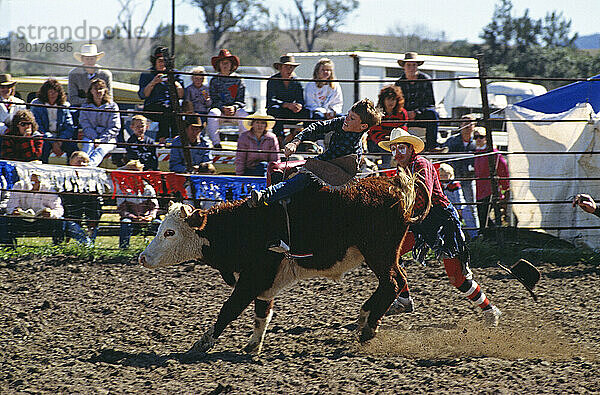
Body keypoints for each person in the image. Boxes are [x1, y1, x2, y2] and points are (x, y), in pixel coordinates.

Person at [379, 128, 501, 326]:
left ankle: (489, 309)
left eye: (401, 147)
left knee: (457, 278)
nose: (397, 153)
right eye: (393, 149)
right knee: (389, 255)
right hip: (419, 221)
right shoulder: (402, 170)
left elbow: (423, 193)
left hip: (440, 220)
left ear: (411, 149)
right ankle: (403, 299)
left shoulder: (421, 164)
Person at [249, 99, 381, 207]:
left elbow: (325, 159)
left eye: (352, 118)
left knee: (305, 177)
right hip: (326, 164)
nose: (346, 119)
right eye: (348, 114)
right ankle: (275, 204)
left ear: (362, 127)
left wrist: (304, 167)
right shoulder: (342, 122)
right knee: (282, 170)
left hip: (339, 173)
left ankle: (267, 195)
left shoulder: (351, 144)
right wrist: (296, 141)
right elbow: (317, 127)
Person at [0, 171, 64, 246]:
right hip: (21, 220)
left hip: (42, 221)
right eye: (33, 182)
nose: (36, 184)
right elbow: (10, 206)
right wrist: (14, 211)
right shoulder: (19, 186)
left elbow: (59, 209)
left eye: (38, 181)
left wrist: (51, 213)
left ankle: (58, 248)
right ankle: (9, 248)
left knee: (60, 221)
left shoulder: (49, 188)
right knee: (4, 220)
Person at [138, 46, 184, 143]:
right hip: (152, 106)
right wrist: (153, 83)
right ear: (155, 61)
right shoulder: (147, 74)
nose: (162, 64)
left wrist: (174, 82)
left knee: (174, 111)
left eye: (165, 61)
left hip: (171, 106)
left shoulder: (174, 73)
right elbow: (143, 95)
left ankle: (176, 138)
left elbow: (181, 95)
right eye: (160, 61)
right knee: (166, 111)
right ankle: (163, 138)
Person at [443, 114, 479, 239]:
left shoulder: (476, 142)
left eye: (470, 123)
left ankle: (474, 235)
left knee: (471, 206)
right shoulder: (452, 141)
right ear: (460, 125)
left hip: (469, 178)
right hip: (454, 179)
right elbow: (443, 156)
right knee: (452, 207)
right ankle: (452, 235)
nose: (467, 126)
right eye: (464, 123)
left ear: (474, 126)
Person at [395, 52, 439, 151]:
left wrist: (416, 112)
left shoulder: (426, 80)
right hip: (403, 116)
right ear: (404, 67)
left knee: (433, 115)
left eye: (414, 65)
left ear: (417, 66)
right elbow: (396, 104)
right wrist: (406, 113)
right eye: (409, 65)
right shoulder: (399, 83)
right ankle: (398, 145)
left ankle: (432, 147)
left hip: (421, 114)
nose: (411, 68)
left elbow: (431, 103)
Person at [206, 49, 248, 148]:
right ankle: (216, 143)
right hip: (220, 111)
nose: (225, 65)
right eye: (222, 63)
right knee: (212, 114)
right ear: (218, 65)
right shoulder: (214, 80)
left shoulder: (238, 79)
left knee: (245, 116)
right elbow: (214, 99)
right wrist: (223, 108)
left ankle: (243, 144)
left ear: (231, 64)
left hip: (235, 111)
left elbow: (241, 100)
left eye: (227, 63)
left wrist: (234, 107)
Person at [58, 151, 103, 246]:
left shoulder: (93, 178)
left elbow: (96, 204)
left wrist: (92, 223)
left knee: (93, 225)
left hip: (89, 214)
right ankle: (88, 246)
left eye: (85, 162)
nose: (82, 164)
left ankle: (89, 245)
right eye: (79, 161)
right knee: (72, 226)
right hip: (70, 213)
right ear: (71, 162)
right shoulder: (63, 176)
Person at [31, 78, 78, 164]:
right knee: (42, 148)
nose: (53, 94)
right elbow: (37, 126)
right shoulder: (37, 105)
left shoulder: (64, 106)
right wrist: (52, 141)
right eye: (50, 92)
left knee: (73, 148)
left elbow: (69, 126)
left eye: (55, 92)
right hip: (44, 137)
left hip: (61, 137)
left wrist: (60, 140)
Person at [115, 160, 160, 249]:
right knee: (125, 223)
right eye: (131, 171)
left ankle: (160, 249)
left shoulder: (148, 188)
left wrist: (150, 216)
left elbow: (154, 207)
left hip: (147, 218)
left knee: (159, 224)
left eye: (137, 172)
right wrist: (134, 217)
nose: (134, 175)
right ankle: (123, 249)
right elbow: (122, 209)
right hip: (130, 218)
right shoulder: (123, 189)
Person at [78, 78, 121, 167]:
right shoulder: (85, 106)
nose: (98, 91)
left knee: (100, 149)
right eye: (95, 89)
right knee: (87, 148)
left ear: (105, 90)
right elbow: (85, 124)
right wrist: (94, 138)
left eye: (101, 88)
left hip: (109, 139)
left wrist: (101, 140)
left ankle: (89, 167)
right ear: (91, 91)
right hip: (90, 137)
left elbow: (115, 127)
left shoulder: (112, 106)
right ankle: (81, 166)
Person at [473, 127, 510, 229]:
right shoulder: (476, 152)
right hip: (480, 188)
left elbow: (502, 168)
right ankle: (489, 235)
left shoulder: (493, 152)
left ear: (486, 138)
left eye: (481, 136)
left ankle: (492, 235)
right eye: (476, 137)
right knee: (482, 214)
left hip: (490, 188)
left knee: (486, 214)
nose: (478, 139)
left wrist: (505, 186)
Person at [266, 55, 309, 140]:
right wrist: (286, 104)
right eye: (286, 67)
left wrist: (299, 105)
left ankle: (308, 140)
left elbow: (301, 99)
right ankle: (279, 139)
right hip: (278, 111)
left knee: (308, 112)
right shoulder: (273, 80)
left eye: (292, 67)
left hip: (292, 112)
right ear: (280, 67)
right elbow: (271, 100)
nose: (289, 70)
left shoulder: (297, 82)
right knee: (275, 109)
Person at [68, 44, 113, 125]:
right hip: (80, 110)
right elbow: (72, 99)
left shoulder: (105, 74)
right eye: (87, 58)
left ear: (96, 59)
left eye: (92, 58)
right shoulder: (73, 74)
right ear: (82, 59)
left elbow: (110, 98)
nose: (89, 61)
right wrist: (91, 102)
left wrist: (98, 104)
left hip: (102, 109)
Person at [367, 84, 408, 169]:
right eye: (388, 99)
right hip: (375, 144)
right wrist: (388, 139)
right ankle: (386, 169)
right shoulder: (376, 113)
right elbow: (374, 133)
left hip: (394, 142)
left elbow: (402, 130)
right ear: (383, 100)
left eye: (393, 100)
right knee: (387, 146)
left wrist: (394, 139)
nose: (391, 102)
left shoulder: (402, 113)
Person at [235, 112, 279, 176]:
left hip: (267, 169)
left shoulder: (271, 138)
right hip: (249, 169)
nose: (260, 125)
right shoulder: (244, 137)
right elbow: (240, 158)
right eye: (257, 122)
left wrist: (274, 173)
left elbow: (275, 158)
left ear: (266, 125)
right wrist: (239, 175)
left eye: (263, 123)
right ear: (252, 124)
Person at [304, 58, 344, 122]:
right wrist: (324, 112)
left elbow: (338, 102)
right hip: (317, 112)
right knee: (319, 117)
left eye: (328, 70)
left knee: (342, 118)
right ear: (317, 71)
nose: (326, 72)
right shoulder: (311, 85)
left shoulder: (335, 85)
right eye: (323, 70)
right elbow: (310, 103)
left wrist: (333, 112)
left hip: (331, 112)